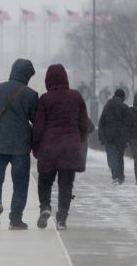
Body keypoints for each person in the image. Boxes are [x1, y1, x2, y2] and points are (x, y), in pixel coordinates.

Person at [31, 63, 90, 231]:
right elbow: (84, 124)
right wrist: (80, 140)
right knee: (66, 185)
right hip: (70, 147)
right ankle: (62, 219)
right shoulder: (76, 97)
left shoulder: (45, 99)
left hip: (49, 147)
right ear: (65, 77)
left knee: (45, 181)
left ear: (48, 79)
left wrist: (35, 147)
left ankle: (45, 207)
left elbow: (38, 126)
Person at [0, 58, 39, 231]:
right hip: (20, 146)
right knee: (20, 183)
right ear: (27, 76)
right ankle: (15, 220)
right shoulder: (31, 94)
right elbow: (35, 118)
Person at [97, 88, 131, 185]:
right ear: (123, 97)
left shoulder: (107, 106)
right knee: (120, 157)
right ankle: (121, 177)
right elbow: (129, 123)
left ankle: (115, 177)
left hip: (109, 136)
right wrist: (128, 137)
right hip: (121, 137)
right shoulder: (125, 108)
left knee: (113, 157)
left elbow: (102, 122)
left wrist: (101, 136)